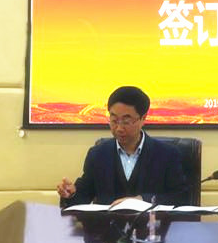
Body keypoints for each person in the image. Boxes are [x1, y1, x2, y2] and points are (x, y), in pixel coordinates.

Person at [57, 86, 188, 207]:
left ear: (143, 118)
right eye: (114, 121)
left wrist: (143, 200)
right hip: (107, 225)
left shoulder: (167, 154)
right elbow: (83, 197)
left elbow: (180, 198)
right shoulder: (98, 154)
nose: (119, 128)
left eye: (126, 121)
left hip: (152, 224)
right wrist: (71, 194)